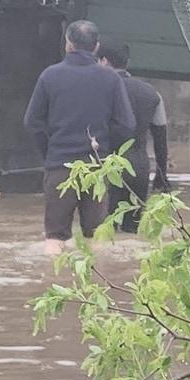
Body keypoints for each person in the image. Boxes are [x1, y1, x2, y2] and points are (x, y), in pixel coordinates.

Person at [24, 20, 136, 255]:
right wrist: (104, 152)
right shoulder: (111, 79)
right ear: (96, 46)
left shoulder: (49, 76)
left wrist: (51, 152)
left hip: (60, 165)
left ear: (68, 44)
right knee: (97, 236)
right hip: (96, 167)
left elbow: (32, 122)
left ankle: (50, 282)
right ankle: (98, 286)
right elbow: (127, 125)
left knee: (54, 238)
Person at [96, 43, 171, 234]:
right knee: (132, 232)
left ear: (103, 61)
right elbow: (160, 139)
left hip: (106, 167)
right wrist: (161, 176)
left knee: (104, 232)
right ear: (127, 62)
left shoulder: (97, 91)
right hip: (139, 168)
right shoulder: (152, 94)